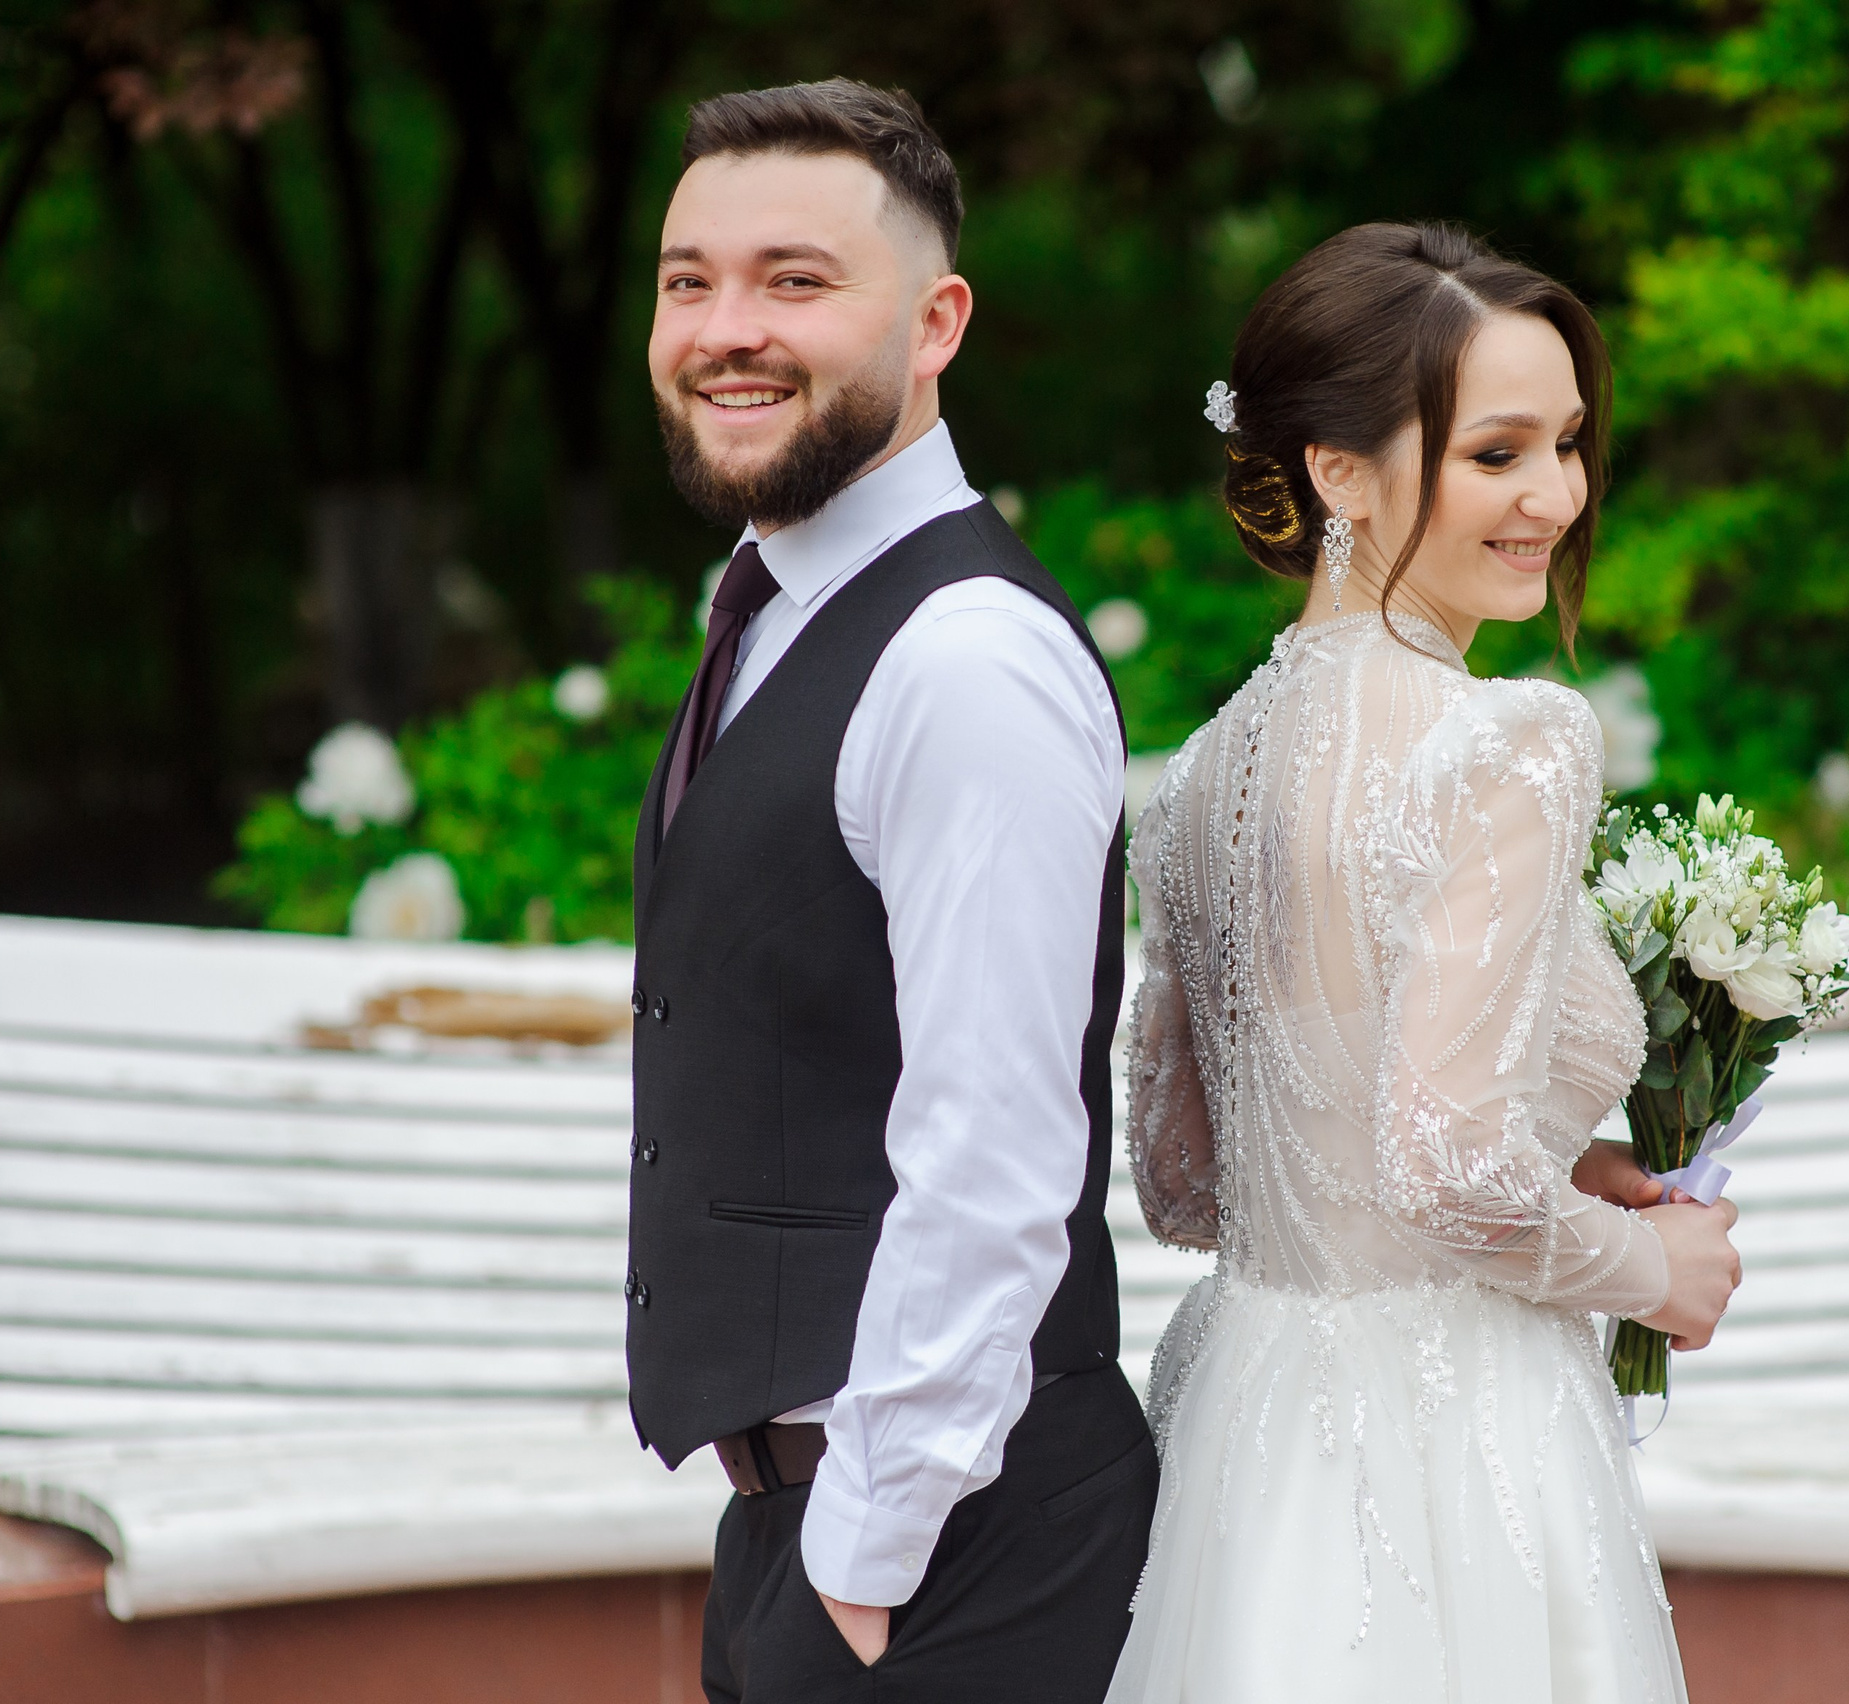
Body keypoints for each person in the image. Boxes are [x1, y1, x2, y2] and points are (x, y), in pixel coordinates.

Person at [1109, 223, 1744, 1703]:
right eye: (1497, 455)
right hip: (1457, 1439)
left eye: (1569, 447)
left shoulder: (1198, 782)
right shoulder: (1508, 742)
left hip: (1246, 1419)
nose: (1555, 499)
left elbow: (1191, 1187)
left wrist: (1549, 1153)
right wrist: (1661, 1272)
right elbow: (1447, 1173)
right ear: (1338, 471)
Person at [622, 79, 1154, 1704]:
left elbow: (995, 1148)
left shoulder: (965, 661)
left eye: (795, 280)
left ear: (936, 324)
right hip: (832, 1528)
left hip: (939, 1545)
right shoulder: (770, 602)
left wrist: (864, 1556)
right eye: (687, 279)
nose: (727, 327)